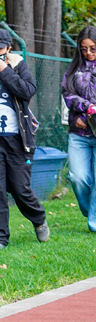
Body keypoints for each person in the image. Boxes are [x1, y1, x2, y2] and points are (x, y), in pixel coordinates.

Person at [0, 29, 49, 249]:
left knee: (20, 188)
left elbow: (28, 91)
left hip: (18, 139)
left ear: (8, 49)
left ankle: (38, 219)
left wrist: (6, 72)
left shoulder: (18, 65)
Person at [62, 26, 96, 232]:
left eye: (93, 48)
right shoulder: (73, 69)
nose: (88, 53)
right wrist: (85, 112)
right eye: (84, 49)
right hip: (79, 134)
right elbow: (67, 94)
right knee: (78, 177)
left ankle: (94, 223)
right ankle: (90, 210)